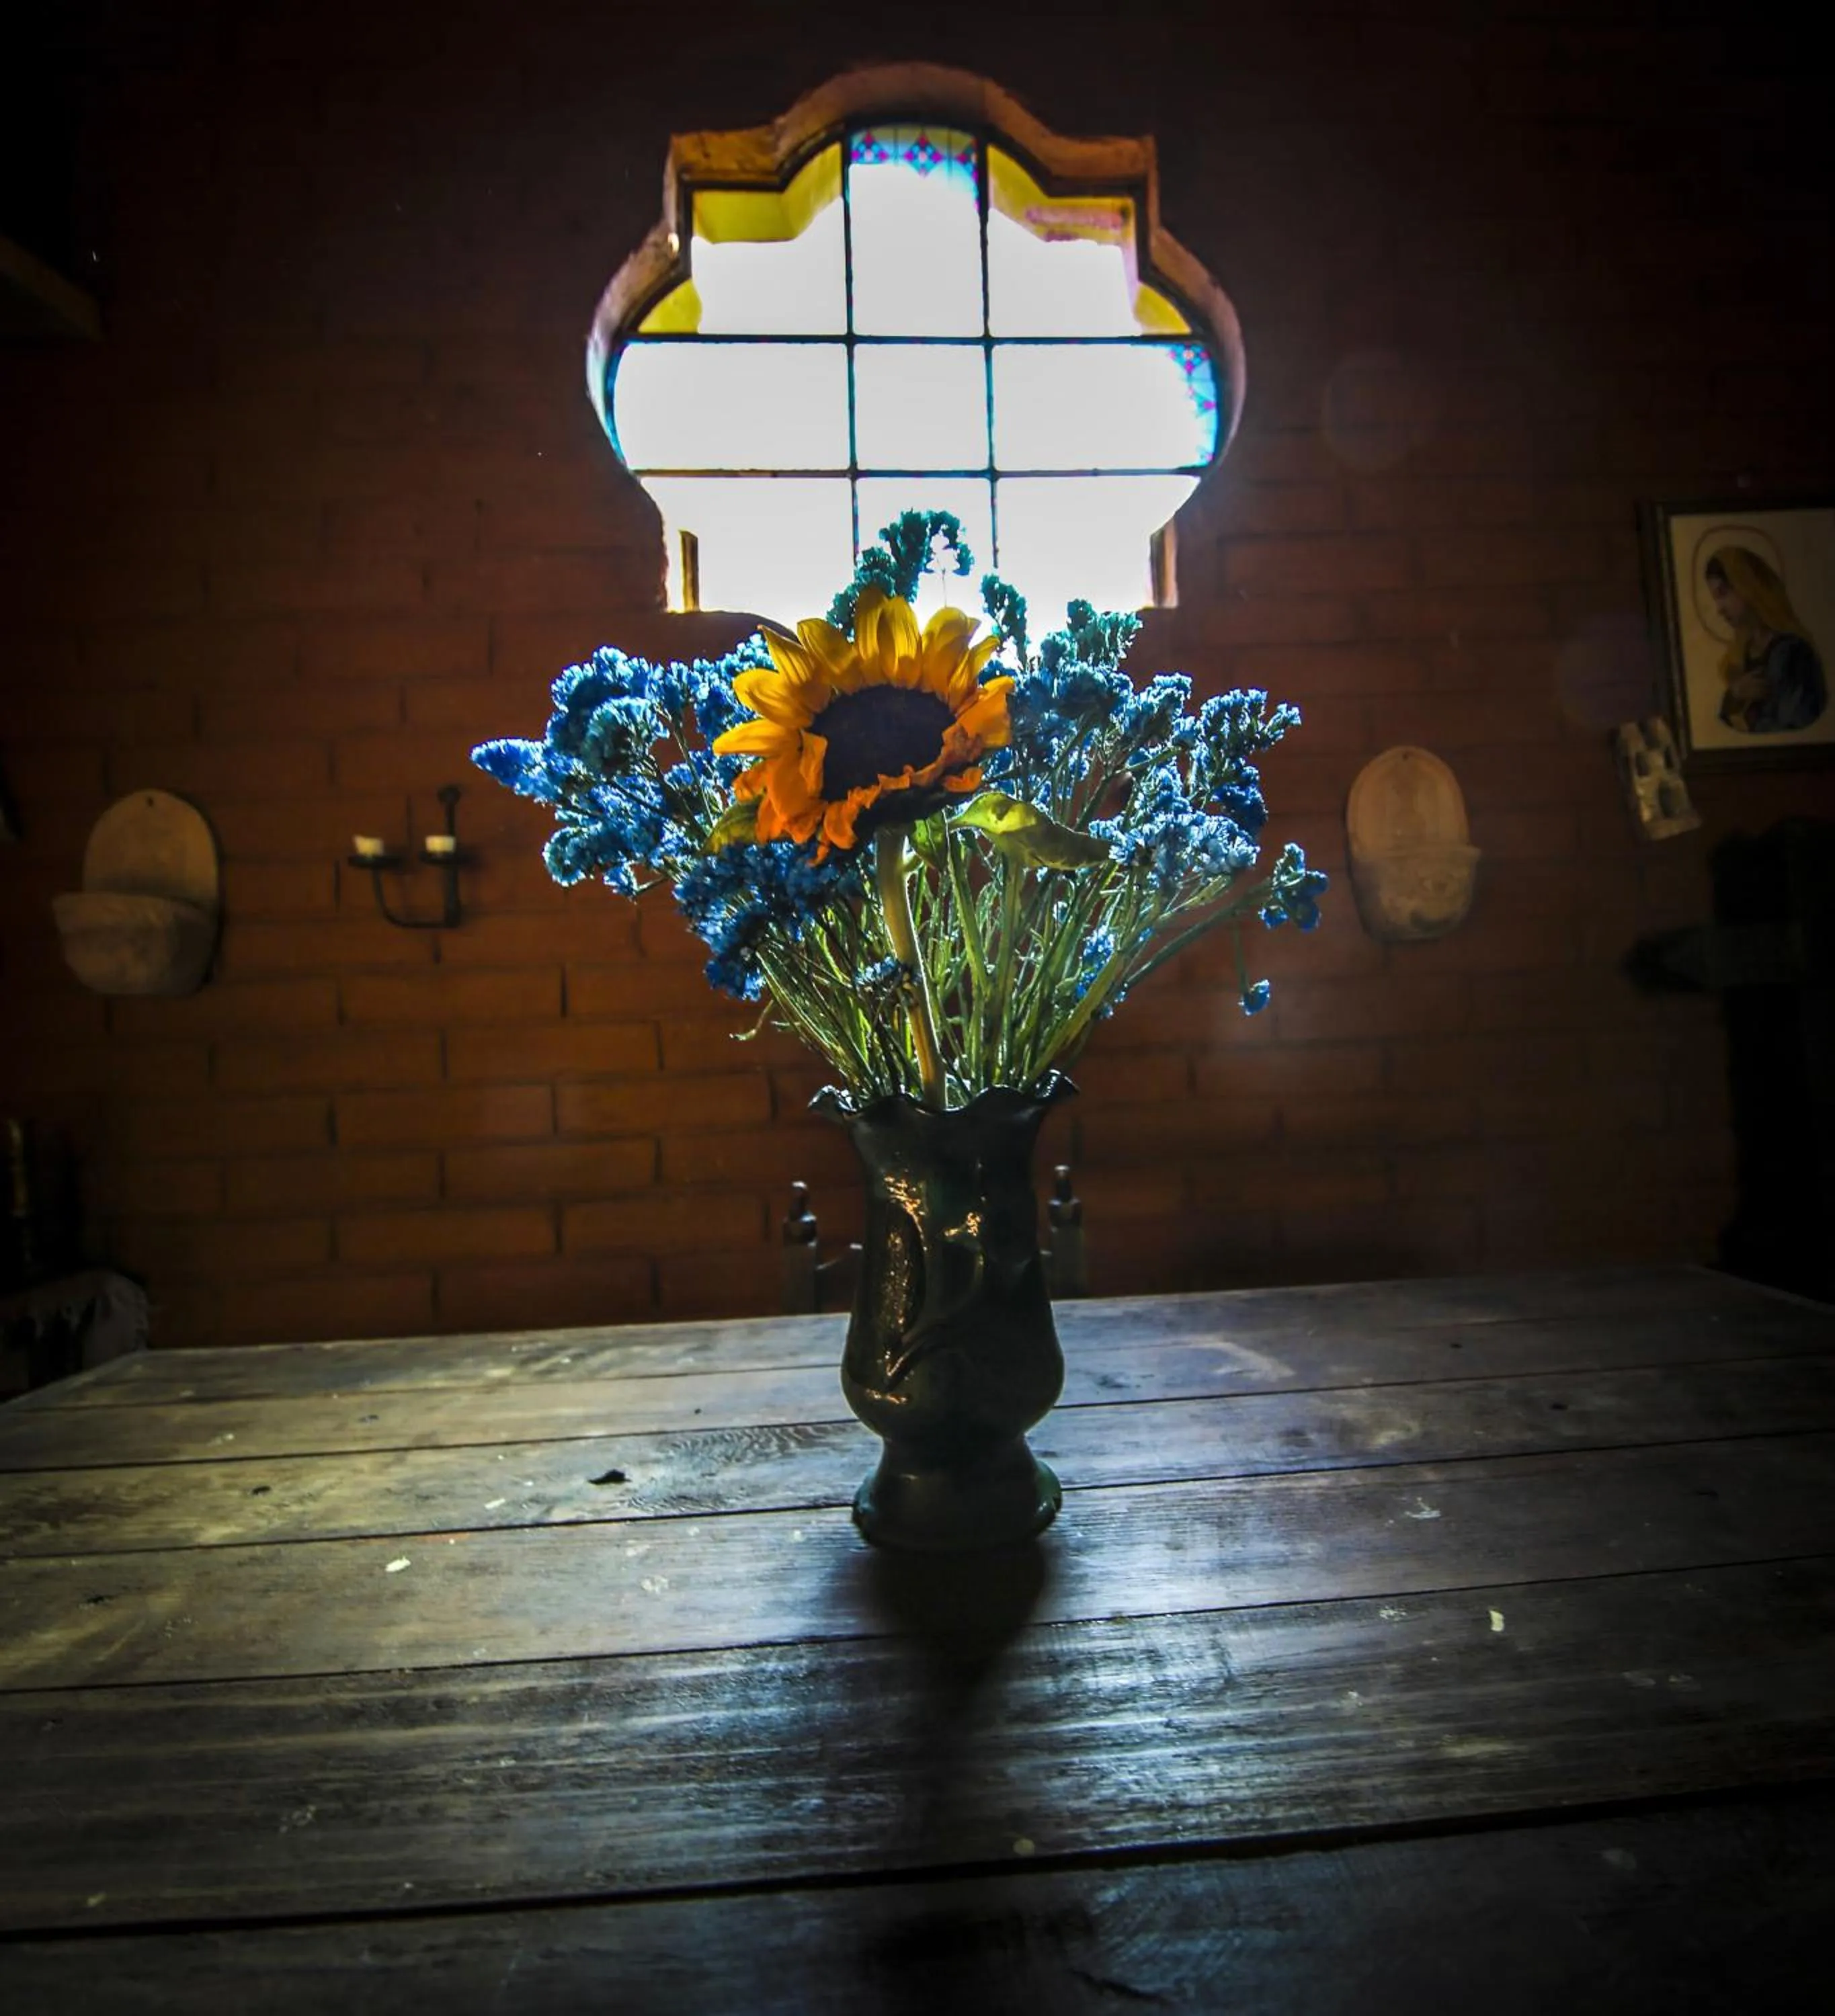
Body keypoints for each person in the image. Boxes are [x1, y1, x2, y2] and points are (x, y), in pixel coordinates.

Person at [1707, 544, 1828, 734]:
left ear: (1748, 586)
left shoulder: (1792, 651)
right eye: (1716, 598)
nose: (1720, 609)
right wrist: (1735, 695)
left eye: (1724, 593)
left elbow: (1792, 728)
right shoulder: (1742, 652)